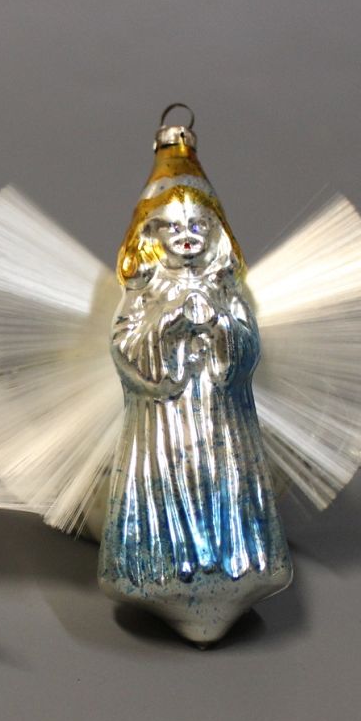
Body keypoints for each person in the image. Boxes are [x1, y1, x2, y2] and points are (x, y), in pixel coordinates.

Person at [99, 184, 292, 644]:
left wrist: (219, 325)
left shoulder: (226, 289)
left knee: (225, 483)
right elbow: (126, 350)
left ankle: (238, 561)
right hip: (162, 425)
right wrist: (169, 324)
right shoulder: (143, 291)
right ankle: (158, 566)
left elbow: (247, 350)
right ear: (152, 235)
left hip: (222, 420)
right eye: (174, 227)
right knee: (166, 485)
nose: (187, 236)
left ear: (216, 233)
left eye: (199, 225)